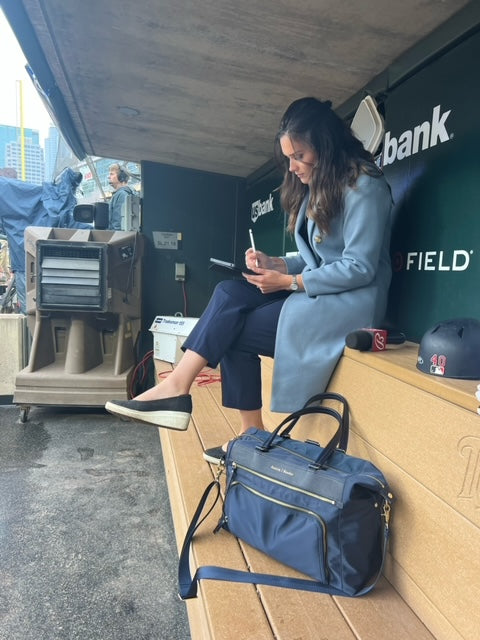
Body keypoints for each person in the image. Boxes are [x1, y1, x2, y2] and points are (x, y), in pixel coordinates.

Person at [105, 97, 393, 464]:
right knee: (229, 290)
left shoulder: (365, 186)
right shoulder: (322, 184)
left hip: (351, 305)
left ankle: (247, 434)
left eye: (299, 156)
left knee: (233, 329)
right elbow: (316, 258)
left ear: (326, 146)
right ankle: (179, 388)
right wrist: (275, 263)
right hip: (319, 293)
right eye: (288, 158)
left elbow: (359, 267)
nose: (293, 167)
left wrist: (289, 282)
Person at [108, 163, 135, 230]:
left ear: (121, 177)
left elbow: (118, 223)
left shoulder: (122, 195)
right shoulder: (119, 194)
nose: (109, 177)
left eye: (112, 174)